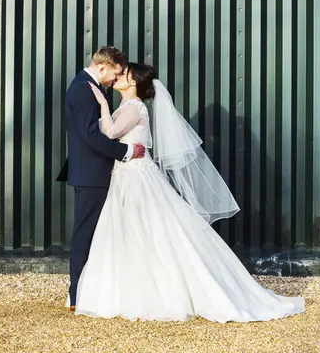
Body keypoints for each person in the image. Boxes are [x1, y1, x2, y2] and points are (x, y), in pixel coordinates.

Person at [73, 62, 304, 322]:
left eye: (123, 74)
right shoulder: (127, 107)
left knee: (147, 230)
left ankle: (160, 292)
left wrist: (102, 106)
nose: (117, 77)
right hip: (126, 175)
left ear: (134, 82)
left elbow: (111, 132)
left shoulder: (134, 107)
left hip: (136, 177)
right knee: (131, 231)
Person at [57, 46, 145, 311]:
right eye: (114, 73)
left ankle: (91, 290)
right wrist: (126, 151)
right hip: (91, 174)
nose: (114, 80)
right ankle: (77, 294)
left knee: (97, 233)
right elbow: (90, 135)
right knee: (85, 234)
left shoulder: (86, 86)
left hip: (93, 172)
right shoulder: (84, 89)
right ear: (102, 67)